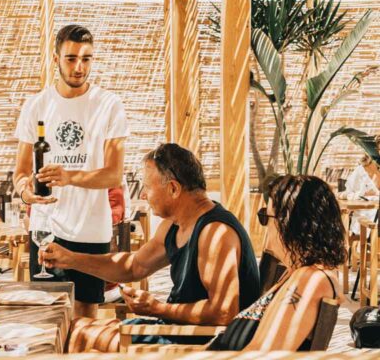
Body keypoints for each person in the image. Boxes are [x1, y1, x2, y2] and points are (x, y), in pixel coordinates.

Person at [40, 143, 260, 352]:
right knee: (69, 327)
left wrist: (157, 308)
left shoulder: (215, 233)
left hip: (198, 343)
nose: (143, 195)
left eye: (147, 187)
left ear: (173, 189)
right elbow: (133, 267)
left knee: (76, 336)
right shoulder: (176, 224)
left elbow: (223, 312)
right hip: (175, 330)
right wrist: (70, 259)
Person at [13, 24, 129, 318]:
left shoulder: (109, 105)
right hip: (46, 230)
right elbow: (20, 174)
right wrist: (26, 194)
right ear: (56, 59)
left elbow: (114, 175)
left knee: (85, 317)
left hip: (92, 229)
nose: (79, 67)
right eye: (71, 58)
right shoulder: (36, 106)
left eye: (87, 58)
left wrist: (69, 177)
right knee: (47, 318)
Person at [207, 175, 345, 351]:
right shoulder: (293, 274)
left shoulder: (310, 280)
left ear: (289, 224)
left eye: (265, 217)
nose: (267, 228)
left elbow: (264, 353)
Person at [342, 154, 380, 235]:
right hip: (364, 210)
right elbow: (349, 192)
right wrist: (363, 193)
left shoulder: (375, 172)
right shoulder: (360, 172)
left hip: (372, 211)